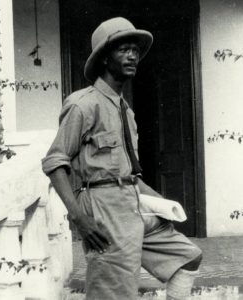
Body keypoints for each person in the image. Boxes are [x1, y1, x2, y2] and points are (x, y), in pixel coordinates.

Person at [42, 17, 202, 300]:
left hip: (133, 204)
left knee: (188, 257)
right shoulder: (83, 104)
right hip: (104, 211)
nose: (133, 56)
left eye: (135, 50)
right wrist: (79, 219)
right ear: (104, 58)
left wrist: (164, 205)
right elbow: (55, 162)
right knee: (116, 294)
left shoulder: (125, 111)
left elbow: (129, 174)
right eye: (123, 49)